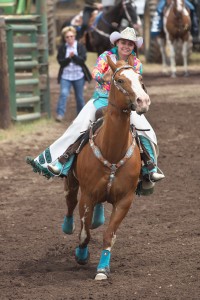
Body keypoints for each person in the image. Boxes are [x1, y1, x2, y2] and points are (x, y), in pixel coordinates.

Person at [26, 27, 165, 193]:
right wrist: (103, 76)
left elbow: (136, 84)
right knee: (79, 125)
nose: (126, 46)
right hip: (101, 99)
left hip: (127, 104)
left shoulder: (136, 64)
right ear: (117, 43)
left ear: (134, 46)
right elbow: (95, 72)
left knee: (146, 130)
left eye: (130, 43)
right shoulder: (106, 57)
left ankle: (150, 168)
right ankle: (61, 161)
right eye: (123, 42)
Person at [55, 26, 92, 122]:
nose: (69, 38)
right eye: (67, 37)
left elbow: (82, 60)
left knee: (79, 97)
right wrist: (68, 58)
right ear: (64, 38)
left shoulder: (80, 47)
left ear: (74, 36)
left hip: (78, 76)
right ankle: (60, 114)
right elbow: (60, 61)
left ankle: (81, 116)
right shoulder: (62, 48)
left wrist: (74, 56)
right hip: (66, 76)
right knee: (63, 93)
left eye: (71, 36)